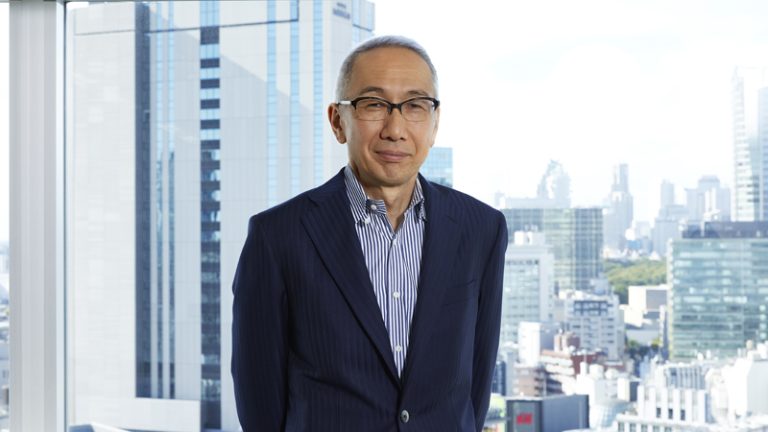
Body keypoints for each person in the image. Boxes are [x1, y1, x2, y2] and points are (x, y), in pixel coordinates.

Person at [232, 35, 507, 431]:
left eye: (415, 105)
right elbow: (260, 401)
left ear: (435, 123)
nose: (395, 129)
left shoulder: (481, 228)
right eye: (374, 104)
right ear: (337, 121)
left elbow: (475, 389)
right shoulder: (277, 236)